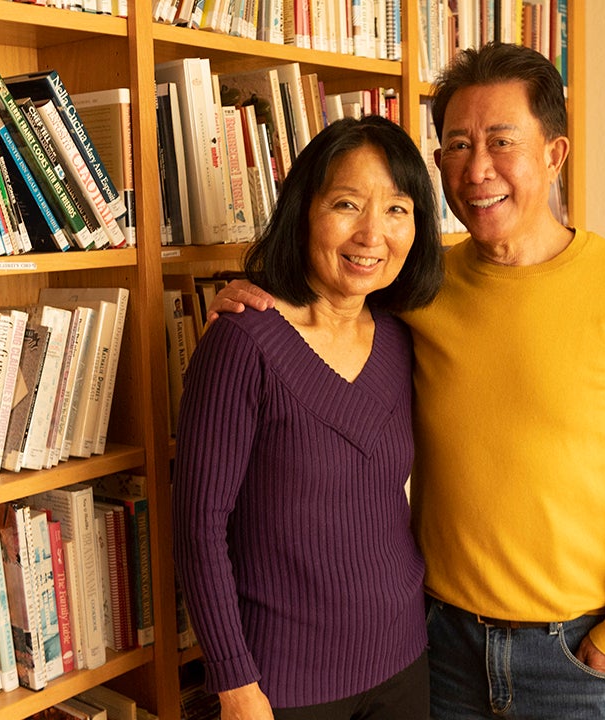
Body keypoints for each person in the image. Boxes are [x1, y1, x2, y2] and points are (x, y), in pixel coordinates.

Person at [208, 42, 605, 719]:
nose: (477, 170)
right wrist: (250, 293)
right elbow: (328, 308)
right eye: (458, 146)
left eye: (502, 142)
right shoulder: (418, 288)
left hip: (575, 654)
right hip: (439, 648)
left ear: (555, 154)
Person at [173, 115, 445, 720]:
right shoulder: (243, 343)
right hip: (282, 686)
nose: (372, 233)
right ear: (303, 210)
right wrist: (235, 683)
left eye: (398, 209)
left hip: (405, 659)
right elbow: (198, 526)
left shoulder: (404, 337)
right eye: (347, 204)